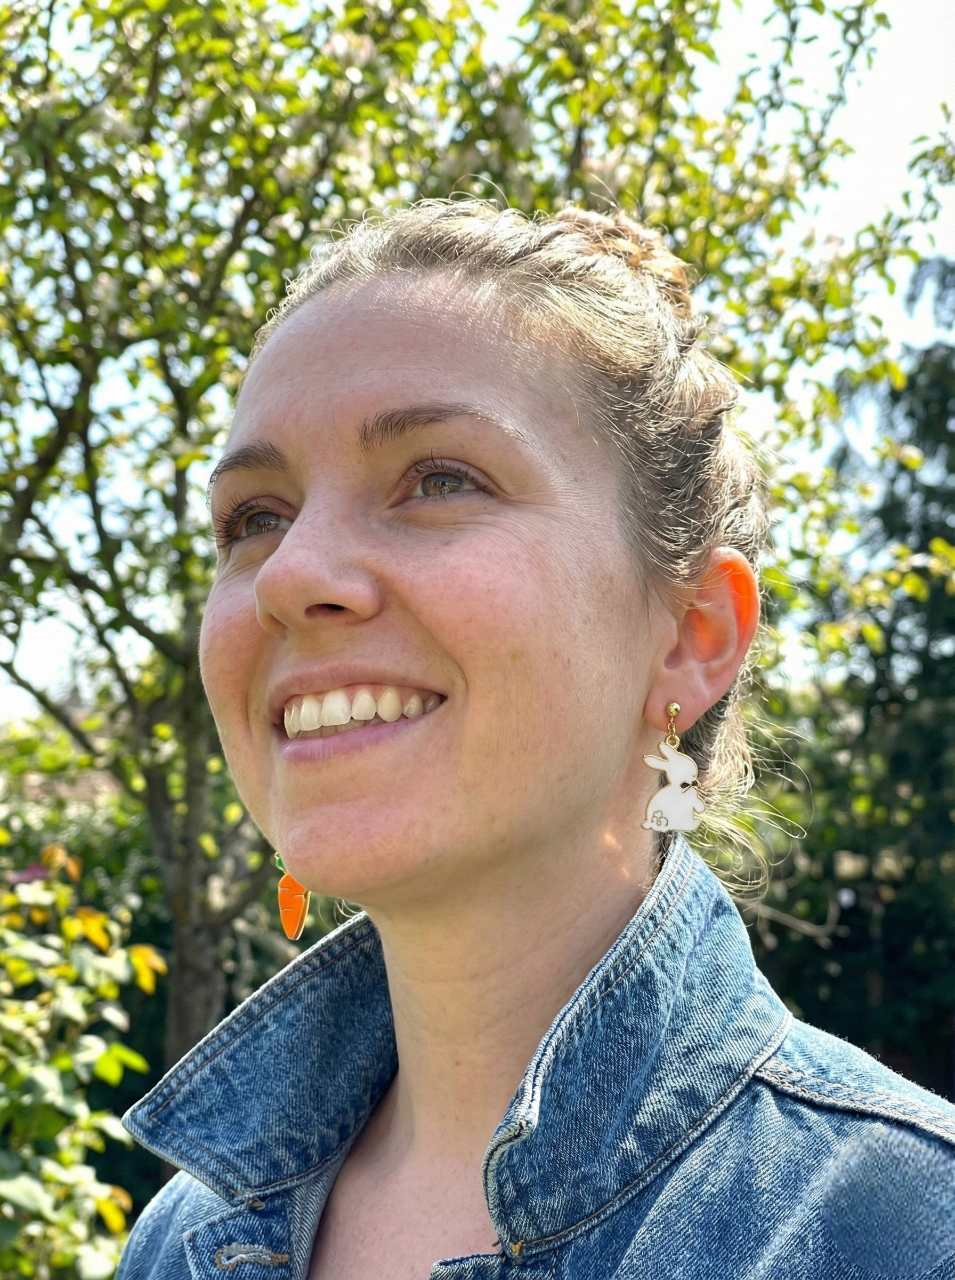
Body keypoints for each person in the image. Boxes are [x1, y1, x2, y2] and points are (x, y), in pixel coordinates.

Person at [117, 201, 955, 1280]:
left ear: (690, 638)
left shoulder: (901, 1231)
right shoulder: (182, 1240)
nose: (289, 574)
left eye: (439, 479)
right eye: (254, 517)